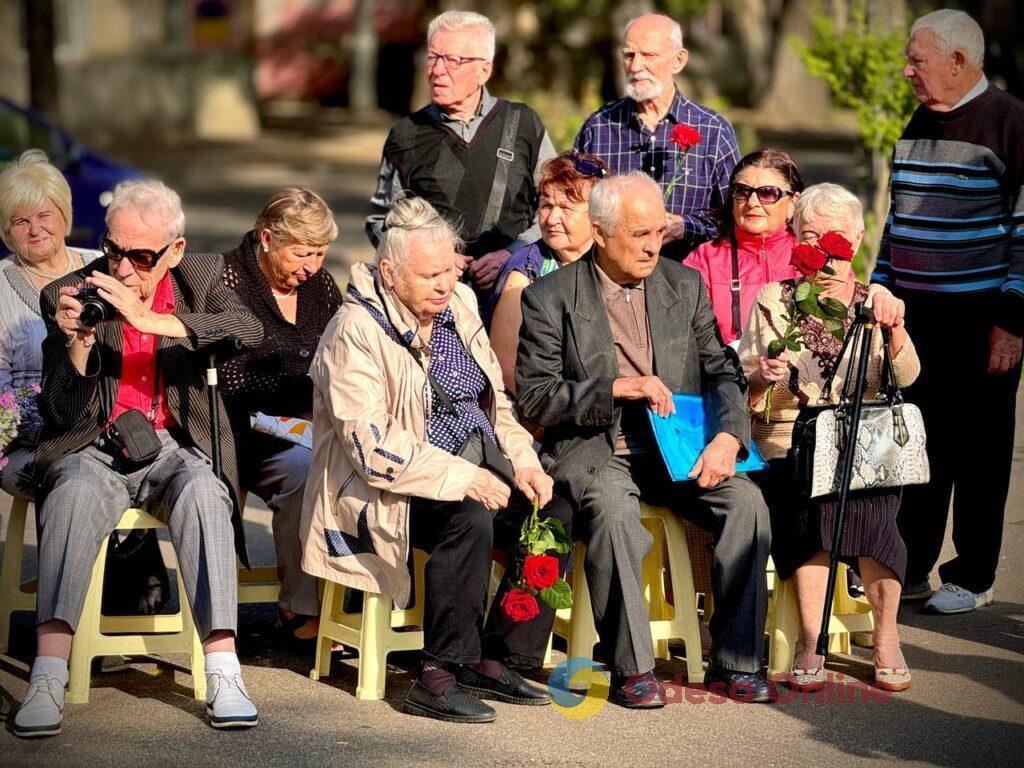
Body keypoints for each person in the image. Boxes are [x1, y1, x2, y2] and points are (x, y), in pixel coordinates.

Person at [302, 197, 573, 724]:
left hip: (475, 461)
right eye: (429, 275)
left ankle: (497, 658)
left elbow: (493, 403)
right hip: (386, 489)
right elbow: (373, 449)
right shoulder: (354, 330)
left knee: (555, 512)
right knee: (467, 518)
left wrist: (523, 461)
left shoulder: (463, 304)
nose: (444, 284)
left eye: (450, 269)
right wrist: (462, 477)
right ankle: (439, 672)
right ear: (389, 273)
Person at [14, 180, 264, 738]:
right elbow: (58, 411)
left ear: (174, 251)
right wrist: (76, 343)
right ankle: (49, 672)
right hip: (94, 445)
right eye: (114, 249)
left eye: (141, 255)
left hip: (175, 444)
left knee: (205, 492)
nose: (123, 268)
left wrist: (149, 321)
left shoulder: (201, 278)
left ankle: (224, 669)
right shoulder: (69, 290)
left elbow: (249, 330)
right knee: (72, 492)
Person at [516, 172, 772, 706]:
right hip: (599, 448)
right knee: (612, 514)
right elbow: (536, 398)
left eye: (658, 231)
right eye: (639, 234)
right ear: (601, 232)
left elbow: (722, 372)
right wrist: (616, 387)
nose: (654, 245)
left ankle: (738, 659)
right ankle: (633, 668)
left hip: (680, 446)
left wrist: (729, 437)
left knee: (746, 504)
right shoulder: (550, 297)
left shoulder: (683, 284)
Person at [739, 183, 920, 692]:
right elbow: (752, 388)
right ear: (794, 236)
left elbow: (905, 376)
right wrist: (762, 375)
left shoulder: (875, 303)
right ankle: (810, 640)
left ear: (859, 238)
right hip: (791, 438)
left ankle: (887, 639)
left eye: (835, 236)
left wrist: (895, 328)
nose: (822, 249)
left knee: (874, 507)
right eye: (810, 235)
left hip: (865, 443)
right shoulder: (775, 299)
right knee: (809, 506)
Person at [873, 10, 1024, 614]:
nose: (907, 71)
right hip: (915, 314)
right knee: (913, 440)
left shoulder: (1012, 123)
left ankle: (974, 574)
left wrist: (1013, 322)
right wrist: (880, 288)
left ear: (959, 62)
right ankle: (908, 564)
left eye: (918, 60)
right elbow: (897, 217)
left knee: (980, 449)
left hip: (983, 313)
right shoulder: (918, 119)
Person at [219, 187, 342, 645]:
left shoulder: (319, 286)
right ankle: (291, 608)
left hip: (298, 429)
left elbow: (338, 354)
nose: (310, 266)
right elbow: (231, 383)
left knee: (326, 465)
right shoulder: (227, 278)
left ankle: (311, 603)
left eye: (319, 254)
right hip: (235, 429)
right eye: (302, 253)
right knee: (303, 464)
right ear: (267, 239)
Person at [366, 10, 556, 292]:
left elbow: (556, 207)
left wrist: (512, 254)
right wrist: (432, 257)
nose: (437, 70)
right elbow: (381, 221)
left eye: (453, 60)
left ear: (484, 70)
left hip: (515, 290)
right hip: (435, 296)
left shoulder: (523, 123)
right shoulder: (405, 135)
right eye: (433, 58)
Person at [573, 13, 740, 258]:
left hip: (686, 276)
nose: (636, 66)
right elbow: (574, 204)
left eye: (649, 55)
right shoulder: (599, 126)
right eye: (629, 55)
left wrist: (684, 227)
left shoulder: (713, 130)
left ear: (678, 61)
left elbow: (734, 215)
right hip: (611, 276)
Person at [0, 150, 100, 498]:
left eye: (44, 215)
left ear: (64, 215)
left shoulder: (102, 266)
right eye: (20, 221)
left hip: (109, 425)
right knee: (74, 477)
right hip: (31, 440)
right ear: (6, 230)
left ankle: (129, 551)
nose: (35, 229)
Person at [486, 152, 608, 387]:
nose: (552, 219)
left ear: (597, 215)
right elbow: (506, 368)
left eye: (566, 208)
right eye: (547, 205)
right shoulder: (524, 275)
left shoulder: (610, 261)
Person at [683, 149, 804, 348]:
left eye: (768, 193)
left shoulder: (813, 257)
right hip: (725, 374)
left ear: (793, 202)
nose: (752, 203)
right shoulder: (704, 259)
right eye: (742, 191)